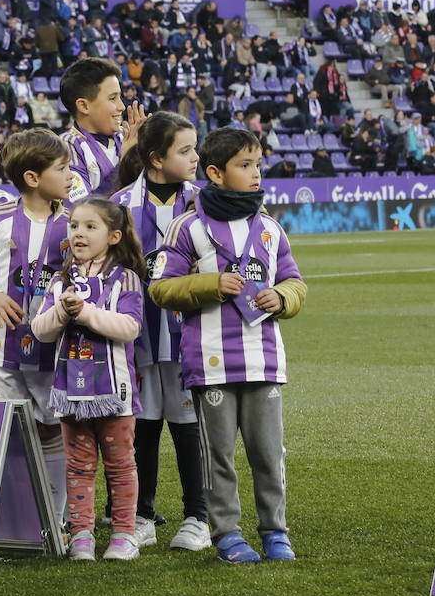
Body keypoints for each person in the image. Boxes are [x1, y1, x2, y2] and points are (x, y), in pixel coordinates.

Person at [149, 127, 308, 564]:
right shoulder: (188, 227)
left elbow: (295, 281)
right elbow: (161, 289)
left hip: (263, 361)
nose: (256, 173)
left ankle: (275, 531)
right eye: (245, 165)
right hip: (211, 363)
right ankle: (227, 535)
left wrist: (283, 297)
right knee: (217, 454)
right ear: (216, 173)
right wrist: (211, 284)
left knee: (267, 452)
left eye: (257, 164)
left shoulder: (271, 229)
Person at [0, 128, 74, 525]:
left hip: (55, 352)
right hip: (6, 350)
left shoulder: (75, 221)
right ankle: (20, 518)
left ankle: (57, 519)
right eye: (62, 168)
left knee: (54, 429)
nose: (70, 174)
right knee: (17, 433)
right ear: (32, 178)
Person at [110, 112, 210, 552]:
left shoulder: (205, 203)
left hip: (189, 332)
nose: (195, 157)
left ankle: (198, 517)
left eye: (194, 148)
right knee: (144, 424)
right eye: (184, 150)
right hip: (139, 336)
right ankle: (143, 514)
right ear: (155, 159)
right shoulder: (120, 206)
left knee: (189, 424)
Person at [31, 196, 145, 561]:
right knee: (78, 465)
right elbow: (40, 331)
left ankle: (125, 534)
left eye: (90, 227)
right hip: (71, 390)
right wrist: (62, 313)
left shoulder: (124, 278)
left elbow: (129, 327)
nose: (79, 233)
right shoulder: (63, 279)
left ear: (113, 236)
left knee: (120, 463)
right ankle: (81, 534)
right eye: (75, 226)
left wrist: (88, 312)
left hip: (116, 391)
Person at [59, 58, 129, 197]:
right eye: (112, 98)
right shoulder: (65, 146)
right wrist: (128, 159)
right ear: (84, 106)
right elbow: (83, 208)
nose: (122, 106)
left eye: (120, 96)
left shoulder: (128, 136)